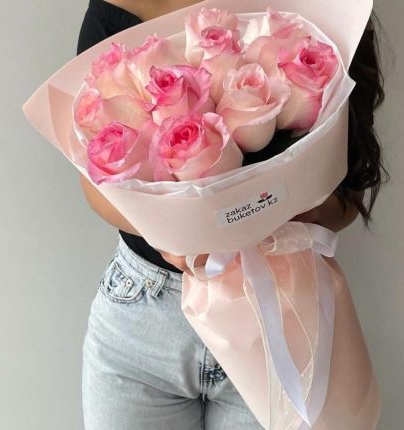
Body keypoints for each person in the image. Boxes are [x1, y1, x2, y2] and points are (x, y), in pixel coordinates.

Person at [77, 1, 388, 429]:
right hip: (143, 320)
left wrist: (268, 215)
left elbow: (347, 197)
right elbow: (95, 183)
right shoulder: (121, 9)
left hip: (276, 317)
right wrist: (184, 231)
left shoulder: (325, 9)